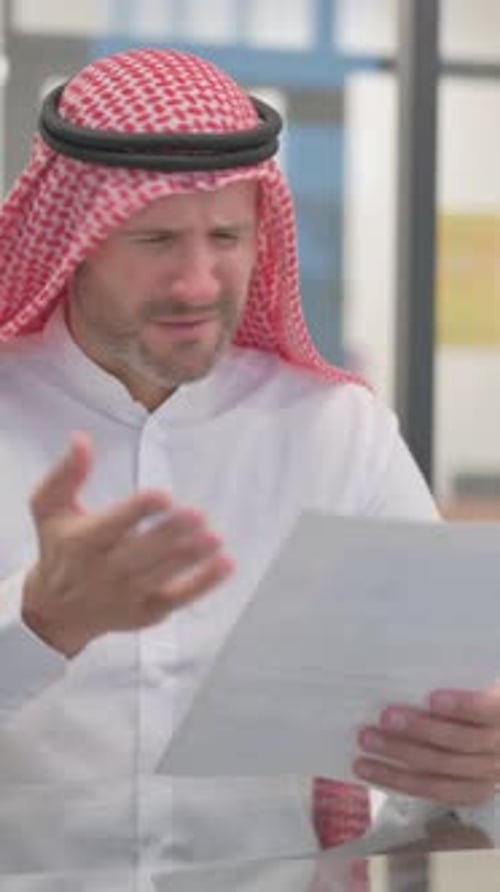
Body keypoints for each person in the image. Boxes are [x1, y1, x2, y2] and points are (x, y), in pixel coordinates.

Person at [0, 47, 498, 883]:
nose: (198, 282)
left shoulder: (337, 433)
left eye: (226, 237)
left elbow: (443, 719)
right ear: (77, 241)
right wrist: (39, 625)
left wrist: (474, 755)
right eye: (156, 238)